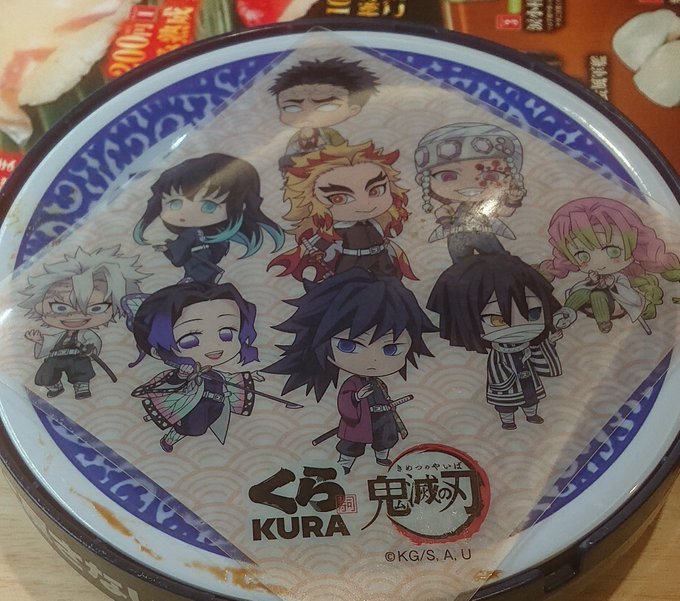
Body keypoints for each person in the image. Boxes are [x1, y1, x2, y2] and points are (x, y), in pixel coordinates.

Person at [265, 268, 436, 473]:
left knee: (385, 437)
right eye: (348, 346)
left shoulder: (379, 383)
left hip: (382, 417)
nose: (372, 360)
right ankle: (345, 464)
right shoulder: (352, 383)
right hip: (359, 418)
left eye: (390, 348)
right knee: (352, 443)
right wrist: (356, 397)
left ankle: (382, 456)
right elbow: (344, 400)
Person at [428, 254, 574, 430]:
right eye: (497, 320)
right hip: (506, 382)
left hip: (527, 377)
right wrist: (509, 376)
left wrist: (548, 342)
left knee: (531, 397)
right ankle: (508, 420)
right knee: (506, 403)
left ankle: (531, 414)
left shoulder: (527, 343)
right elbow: (496, 370)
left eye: (534, 313)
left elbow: (538, 355)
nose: (518, 327)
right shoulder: (499, 352)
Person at [126, 281, 262, 453]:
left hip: (217, 402)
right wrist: (183, 375)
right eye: (190, 340)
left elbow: (228, 377)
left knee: (209, 424)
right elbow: (170, 382)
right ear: (157, 350)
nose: (214, 346)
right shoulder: (188, 371)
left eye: (226, 334)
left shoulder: (215, 370)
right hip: (194, 403)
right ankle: (170, 438)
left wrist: (251, 375)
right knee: (192, 428)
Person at [268, 141, 415, 282]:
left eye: (375, 191)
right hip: (353, 262)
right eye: (339, 198)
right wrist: (318, 252)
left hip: (381, 258)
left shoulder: (376, 222)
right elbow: (321, 241)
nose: (364, 204)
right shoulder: (340, 228)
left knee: (393, 288)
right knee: (347, 288)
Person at [133, 153, 284, 283]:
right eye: (175, 203)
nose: (187, 213)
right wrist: (171, 248)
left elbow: (179, 257)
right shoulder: (197, 234)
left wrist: (170, 248)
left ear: (241, 205)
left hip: (201, 268)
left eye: (209, 206)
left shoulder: (197, 235)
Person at [539, 197, 680, 334]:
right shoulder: (593, 273)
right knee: (581, 292)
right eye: (583, 256)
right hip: (590, 300)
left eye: (613, 251)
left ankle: (603, 322)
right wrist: (593, 281)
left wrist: (611, 282)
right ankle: (566, 312)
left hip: (616, 301)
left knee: (598, 295)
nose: (600, 265)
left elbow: (626, 290)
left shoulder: (627, 273)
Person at [21, 246, 146, 399]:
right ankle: (55, 387)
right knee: (46, 372)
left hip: (77, 356)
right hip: (56, 356)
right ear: (40, 306)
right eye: (60, 307)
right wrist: (40, 340)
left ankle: (81, 387)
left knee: (81, 369)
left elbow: (93, 341)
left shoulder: (86, 334)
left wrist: (90, 347)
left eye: (96, 308)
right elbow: (51, 341)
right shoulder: (59, 335)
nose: (75, 315)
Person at [414, 122, 527, 263]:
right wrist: (446, 223)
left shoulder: (487, 204)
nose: (469, 183)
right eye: (448, 176)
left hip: (483, 234)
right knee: (460, 266)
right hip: (457, 236)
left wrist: (512, 200)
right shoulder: (452, 207)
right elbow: (442, 212)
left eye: (491, 176)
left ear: (511, 178)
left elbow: (504, 211)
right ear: (425, 181)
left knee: (499, 259)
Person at [269, 57, 379, 170]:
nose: (307, 116)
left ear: (353, 109)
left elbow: (340, 150)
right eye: (292, 108)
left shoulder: (329, 134)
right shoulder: (296, 137)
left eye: (326, 107)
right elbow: (290, 154)